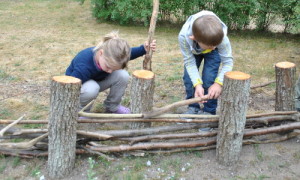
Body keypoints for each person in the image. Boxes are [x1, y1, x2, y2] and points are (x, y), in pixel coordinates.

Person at [66, 31, 156, 114]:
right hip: (79, 85)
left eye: (113, 69)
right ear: (101, 53)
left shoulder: (112, 55)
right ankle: (81, 111)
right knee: (92, 88)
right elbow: (70, 88)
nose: (110, 71)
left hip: (98, 80)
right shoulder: (84, 66)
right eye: (108, 67)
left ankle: (112, 107)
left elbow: (129, 53)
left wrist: (144, 49)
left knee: (123, 75)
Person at [178, 10, 233, 115]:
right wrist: (197, 84)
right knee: (189, 80)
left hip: (210, 44)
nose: (213, 48)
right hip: (193, 50)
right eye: (210, 46)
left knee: (209, 80)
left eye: (215, 45)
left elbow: (228, 62)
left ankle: (209, 112)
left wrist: (218, 83)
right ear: (194, 38)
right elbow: (189, 62)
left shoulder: (220, 38)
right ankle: (193, 107)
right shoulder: (184, 37)